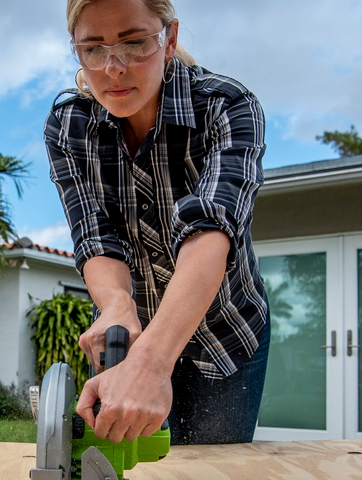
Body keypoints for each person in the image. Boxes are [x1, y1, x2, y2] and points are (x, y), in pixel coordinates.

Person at [44, 0, 270, 447]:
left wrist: (151, 361)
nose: (113, 68)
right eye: (93, 49)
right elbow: (95, 236)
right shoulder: (70, 126)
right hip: (125, 338)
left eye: (134, 43)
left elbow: (210, 232)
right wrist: (116, 305)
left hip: (225, 332)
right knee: (122, 476)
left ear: (169, 37)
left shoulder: (226, 106)